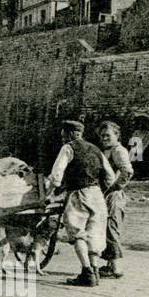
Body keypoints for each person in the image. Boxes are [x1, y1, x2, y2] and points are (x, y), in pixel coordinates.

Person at [47, 120, 116, 287]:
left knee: (77, 232)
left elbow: (56, 175)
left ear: (69, 134)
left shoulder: (68, 148)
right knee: (94, 233)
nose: (62, 137)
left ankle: (87, 273)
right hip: (97, 195)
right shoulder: (96, 149)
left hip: (78, 194)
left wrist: (48, 194)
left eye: (63, 133)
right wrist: (101, 192)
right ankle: (95, 270)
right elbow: (110, 177)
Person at [96, 121, 134, 279]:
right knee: (106, 228)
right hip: (106, 195)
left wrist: (115, 187)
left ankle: (116, 267)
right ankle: (110, 265)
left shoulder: (119, 151)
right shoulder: (108, 150)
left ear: (116, 135)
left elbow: (128, 171)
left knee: (111, 228)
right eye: (102, 136)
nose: (104, 138)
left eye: (108, 135)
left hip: (114, 196)